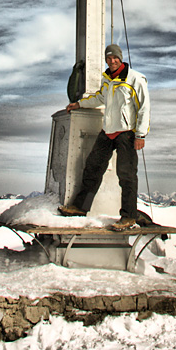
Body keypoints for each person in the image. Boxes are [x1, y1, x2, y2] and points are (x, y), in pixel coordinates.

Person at [58, 43, 150, 231]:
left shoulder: (135, 79)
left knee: (126, 175)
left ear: (121, 58)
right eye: (108, 58)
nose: (112, 61)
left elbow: (144, 108)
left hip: (127, 133)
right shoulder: (107, 79)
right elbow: (100, 98)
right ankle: (80, 207)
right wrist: (80, 104)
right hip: (108, 131)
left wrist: (140, 135)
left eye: (115, 58)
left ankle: (129, 216)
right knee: (93, 167)